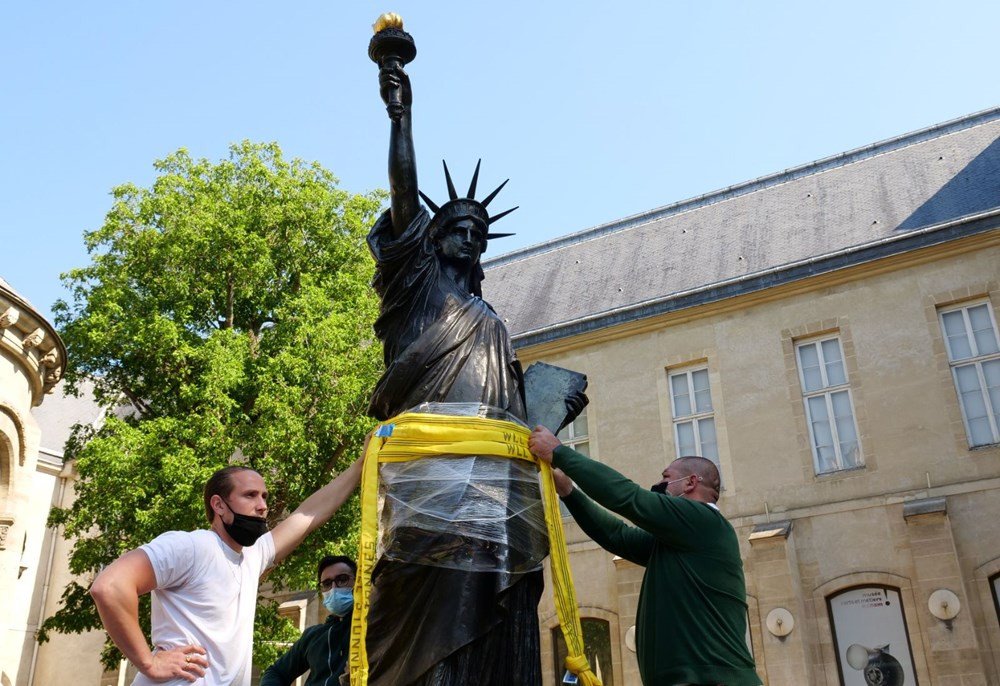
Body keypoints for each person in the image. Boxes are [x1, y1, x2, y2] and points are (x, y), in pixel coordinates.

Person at [359, 59, 549, 686]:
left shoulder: (488, 317)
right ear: (431, 238)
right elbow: (404, 193)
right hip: (428, 481)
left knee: (493, 630)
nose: (468, 238)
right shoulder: (415, 290)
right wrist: (400, 115)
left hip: (495, 491)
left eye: (479, 233)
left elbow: (511, 404)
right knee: (422, 621)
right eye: (456, 229)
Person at [90, 447, 365, 686]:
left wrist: (361, 463)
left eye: (265, 497)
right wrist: (149, 662)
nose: (262, 506)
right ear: (219, 505)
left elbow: (309, 514)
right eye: (250, 495)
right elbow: (110, 586)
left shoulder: (253, 555)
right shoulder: (192, 546)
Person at [528, 426, 761, 686]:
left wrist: (560, 453)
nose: (659, 484)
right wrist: (569, 493)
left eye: (666, 477)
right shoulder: (677, 540)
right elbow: (618, 536)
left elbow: (629, 498)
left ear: (690, 482)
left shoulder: (703, 520)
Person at [259, 555, 356, 686]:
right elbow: (275, 672)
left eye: (342, 579)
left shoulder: (373, 625)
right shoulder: (313, 636)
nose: (334, 588)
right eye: (327, 584)